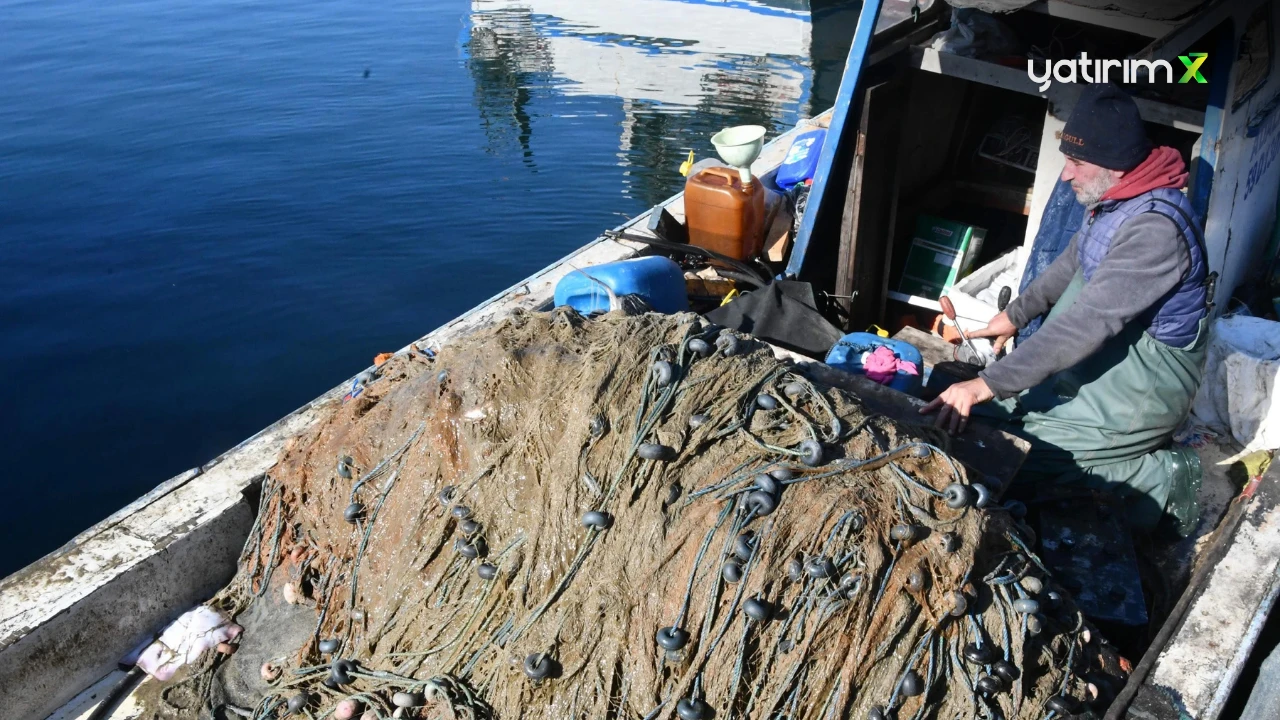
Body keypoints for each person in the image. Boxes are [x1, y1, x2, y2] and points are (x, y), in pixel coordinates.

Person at [920, 83, 1212, 531]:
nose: (1065, 175)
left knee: (1023, 465)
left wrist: (986, 383)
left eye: (1076, 163)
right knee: (990, 426)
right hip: (1105, 362)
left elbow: (1086, 325)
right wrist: (1014, 315)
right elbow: (1074, 259)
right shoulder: (1115, 200)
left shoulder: (1156, 230)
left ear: (1113, 165)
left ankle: (1165, 481)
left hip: (1143, 389)